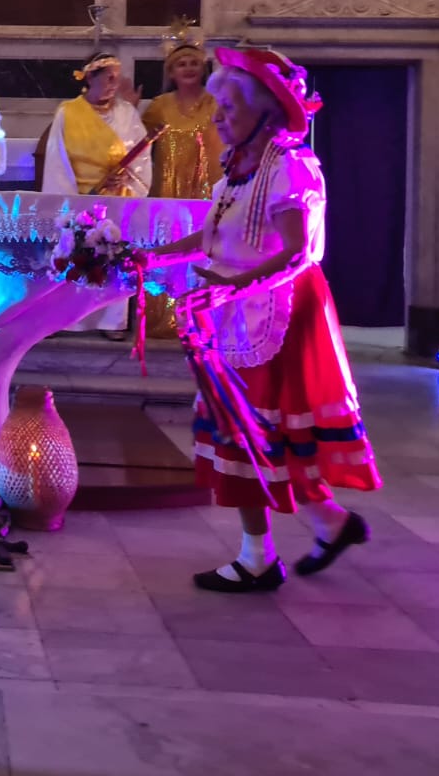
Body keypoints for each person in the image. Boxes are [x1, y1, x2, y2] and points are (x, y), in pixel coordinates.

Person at [148, 48, 379, 593]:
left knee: (247, 432)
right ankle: (332, 524)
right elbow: (210, 237)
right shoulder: (236, 172)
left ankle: (257, 558)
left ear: (267, 112)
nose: (217, 117)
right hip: (234, 313)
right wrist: (149, 257)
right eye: (216, 106)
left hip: (273, 315)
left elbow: (300, 252)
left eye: (228, 107)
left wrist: (236, 286)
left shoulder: (289, 167)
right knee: (258, 432)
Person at [41, 51, 152, 338]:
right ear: (91, 77)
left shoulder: (126, 113)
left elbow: (141, 154)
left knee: (114, 258)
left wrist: (128, 177)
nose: (115, 83)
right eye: (109, 77)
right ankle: (70, 319)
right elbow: (57, 159)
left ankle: (112, 322)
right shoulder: (68, 112)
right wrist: (68, 201)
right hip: (80, 197)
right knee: (78, 253)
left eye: (118, 77)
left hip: (118, 198)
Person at [142, 24, 220, 337]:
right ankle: (162, 321)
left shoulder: (215, 102)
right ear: (171, 72)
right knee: (168, 248)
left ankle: (202, 319)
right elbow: (138, 144)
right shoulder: (159, 106)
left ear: (203, 69)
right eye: (181, 64)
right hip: (166, 190)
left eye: (194, 63)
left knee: (205, 251)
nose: (188, 68)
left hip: (206, 190)